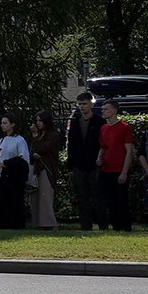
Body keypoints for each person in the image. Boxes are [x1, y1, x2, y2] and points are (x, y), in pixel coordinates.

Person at [62, 93, 103, 229]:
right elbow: (71, 147)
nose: (82, 107)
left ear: (91, 104)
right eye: (79, 104)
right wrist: (70, 168)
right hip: (79, 165)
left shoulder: (99, 122)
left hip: (94, 165)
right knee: (82, 198)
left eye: (84, 104)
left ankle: (103, 225)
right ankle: (85, 226)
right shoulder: (74, 122)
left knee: (98, 198)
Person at [98, 107, 139, 232]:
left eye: (106, 109)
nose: (103, 111)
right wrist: (99, 158)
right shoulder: (103, 128)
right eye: (102, 109)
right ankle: (116, 228)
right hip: (106, 170)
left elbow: (129, 151)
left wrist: (124, 172)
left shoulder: (124, 128)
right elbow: (103, 147)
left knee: (121, 201)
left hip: (119, 170)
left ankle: (126, 228)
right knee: (110, 202)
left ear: (114, 111)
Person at [28, 111, 61, 229]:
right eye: (37, 121)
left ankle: (50, 223)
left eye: (40, 121)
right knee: (36, 197)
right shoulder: (41, 136)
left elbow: (43, 148)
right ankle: (37, 223)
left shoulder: (52, 136)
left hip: (47, 169)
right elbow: (34, 150)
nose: (38, 123)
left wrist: (35, 136)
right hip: (38, 168)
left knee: (45, 196)